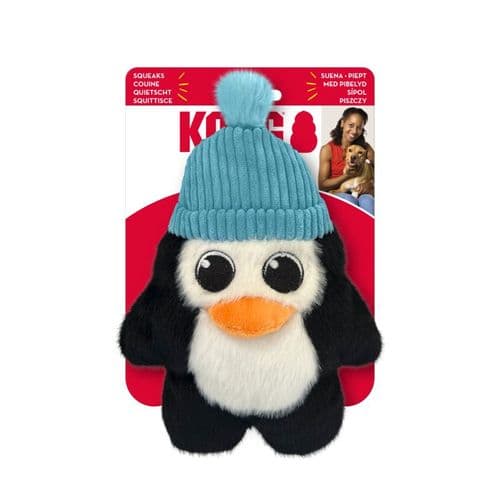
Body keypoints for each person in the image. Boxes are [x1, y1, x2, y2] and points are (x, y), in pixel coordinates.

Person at [318, 108, 375, 215]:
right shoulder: (327, 149)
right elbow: (322, 186)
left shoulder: (366, 149)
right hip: (338, 193)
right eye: (351, 125)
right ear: (342, 123)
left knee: (368, 202)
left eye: (359, 128)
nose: (354, 131)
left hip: (361, 191)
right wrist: (347, 176)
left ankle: (368, 226)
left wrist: (371, 185)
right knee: (350, 201)